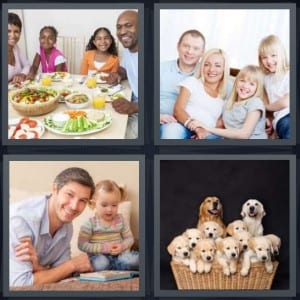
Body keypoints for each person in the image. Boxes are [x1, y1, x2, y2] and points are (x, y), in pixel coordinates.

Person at [9, 167, 95, 287]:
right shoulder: (20, 220)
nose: (74, 206)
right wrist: (72, 265)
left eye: (83, 200)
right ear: (54, 189)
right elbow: (20, 283)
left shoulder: (67, 226)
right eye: (70, 194)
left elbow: (62, 273)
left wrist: (38, 268)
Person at [167, 48, 230, 139]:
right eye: (207, 65)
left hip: (207, 134)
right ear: (202, 67)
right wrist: (197, 128)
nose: (211, 69)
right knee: (172, 129)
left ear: (224, 69)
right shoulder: (192, 82)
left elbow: (219, 126)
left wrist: (205, 133)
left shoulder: (224, 98)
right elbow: (178, 110)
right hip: (183, 127)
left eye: (217, 65)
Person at [191, 65, 267, 139]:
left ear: (257, 88)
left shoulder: (255, 102)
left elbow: (244, 135)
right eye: (242, 81)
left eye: (251, 84)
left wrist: (207, 128)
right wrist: (204, 133)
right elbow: (219, 126)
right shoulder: (228, 103)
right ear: (236, 81)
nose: (245, 86)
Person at [78, 180, 139, 271]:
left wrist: (121, 246)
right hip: (99, 257)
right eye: (104, 205)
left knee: (136, 260)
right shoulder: (90, 224)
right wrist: (103, 248)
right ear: (94, 204)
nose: (109, 209)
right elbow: (82, 245)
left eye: (114, 205)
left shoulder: (121, 220)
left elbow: (130, 239)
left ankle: (114, 267)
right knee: (101, 263)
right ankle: (116, 268)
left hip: (119, 256)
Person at [160, 29, 206, 139]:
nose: (190, 51)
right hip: (164, 123)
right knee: (172, 131)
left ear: (202, 52)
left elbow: (230, 90)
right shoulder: (161, 68)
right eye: (186, 46)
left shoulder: (208, 72)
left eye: (196, 48)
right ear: (178, 46)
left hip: (193, 125)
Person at [106, 10, 139, 139]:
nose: (122, 32)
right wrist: (117, 75)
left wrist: (134, 107)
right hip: (132, 99)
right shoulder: (129, 50)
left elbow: (162, 98)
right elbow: (124, 69)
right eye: (119, 27)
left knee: (118, 136)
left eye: (128, 25)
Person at [258, 35, 290, 139]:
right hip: (285, 118)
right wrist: (269, 119)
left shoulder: (290, 73)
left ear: (282, 54)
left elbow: (287, 101)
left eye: (273, 55)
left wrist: (266, 106)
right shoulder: (266, 79)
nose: (269, 61)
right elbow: (279, 103)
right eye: (264, 57)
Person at [8, 12, 30, 83]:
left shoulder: (15, 47)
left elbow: (27, 65)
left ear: (20, 33)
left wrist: (22, 74)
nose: (13, 35)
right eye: (8, 31)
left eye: (16, 31)